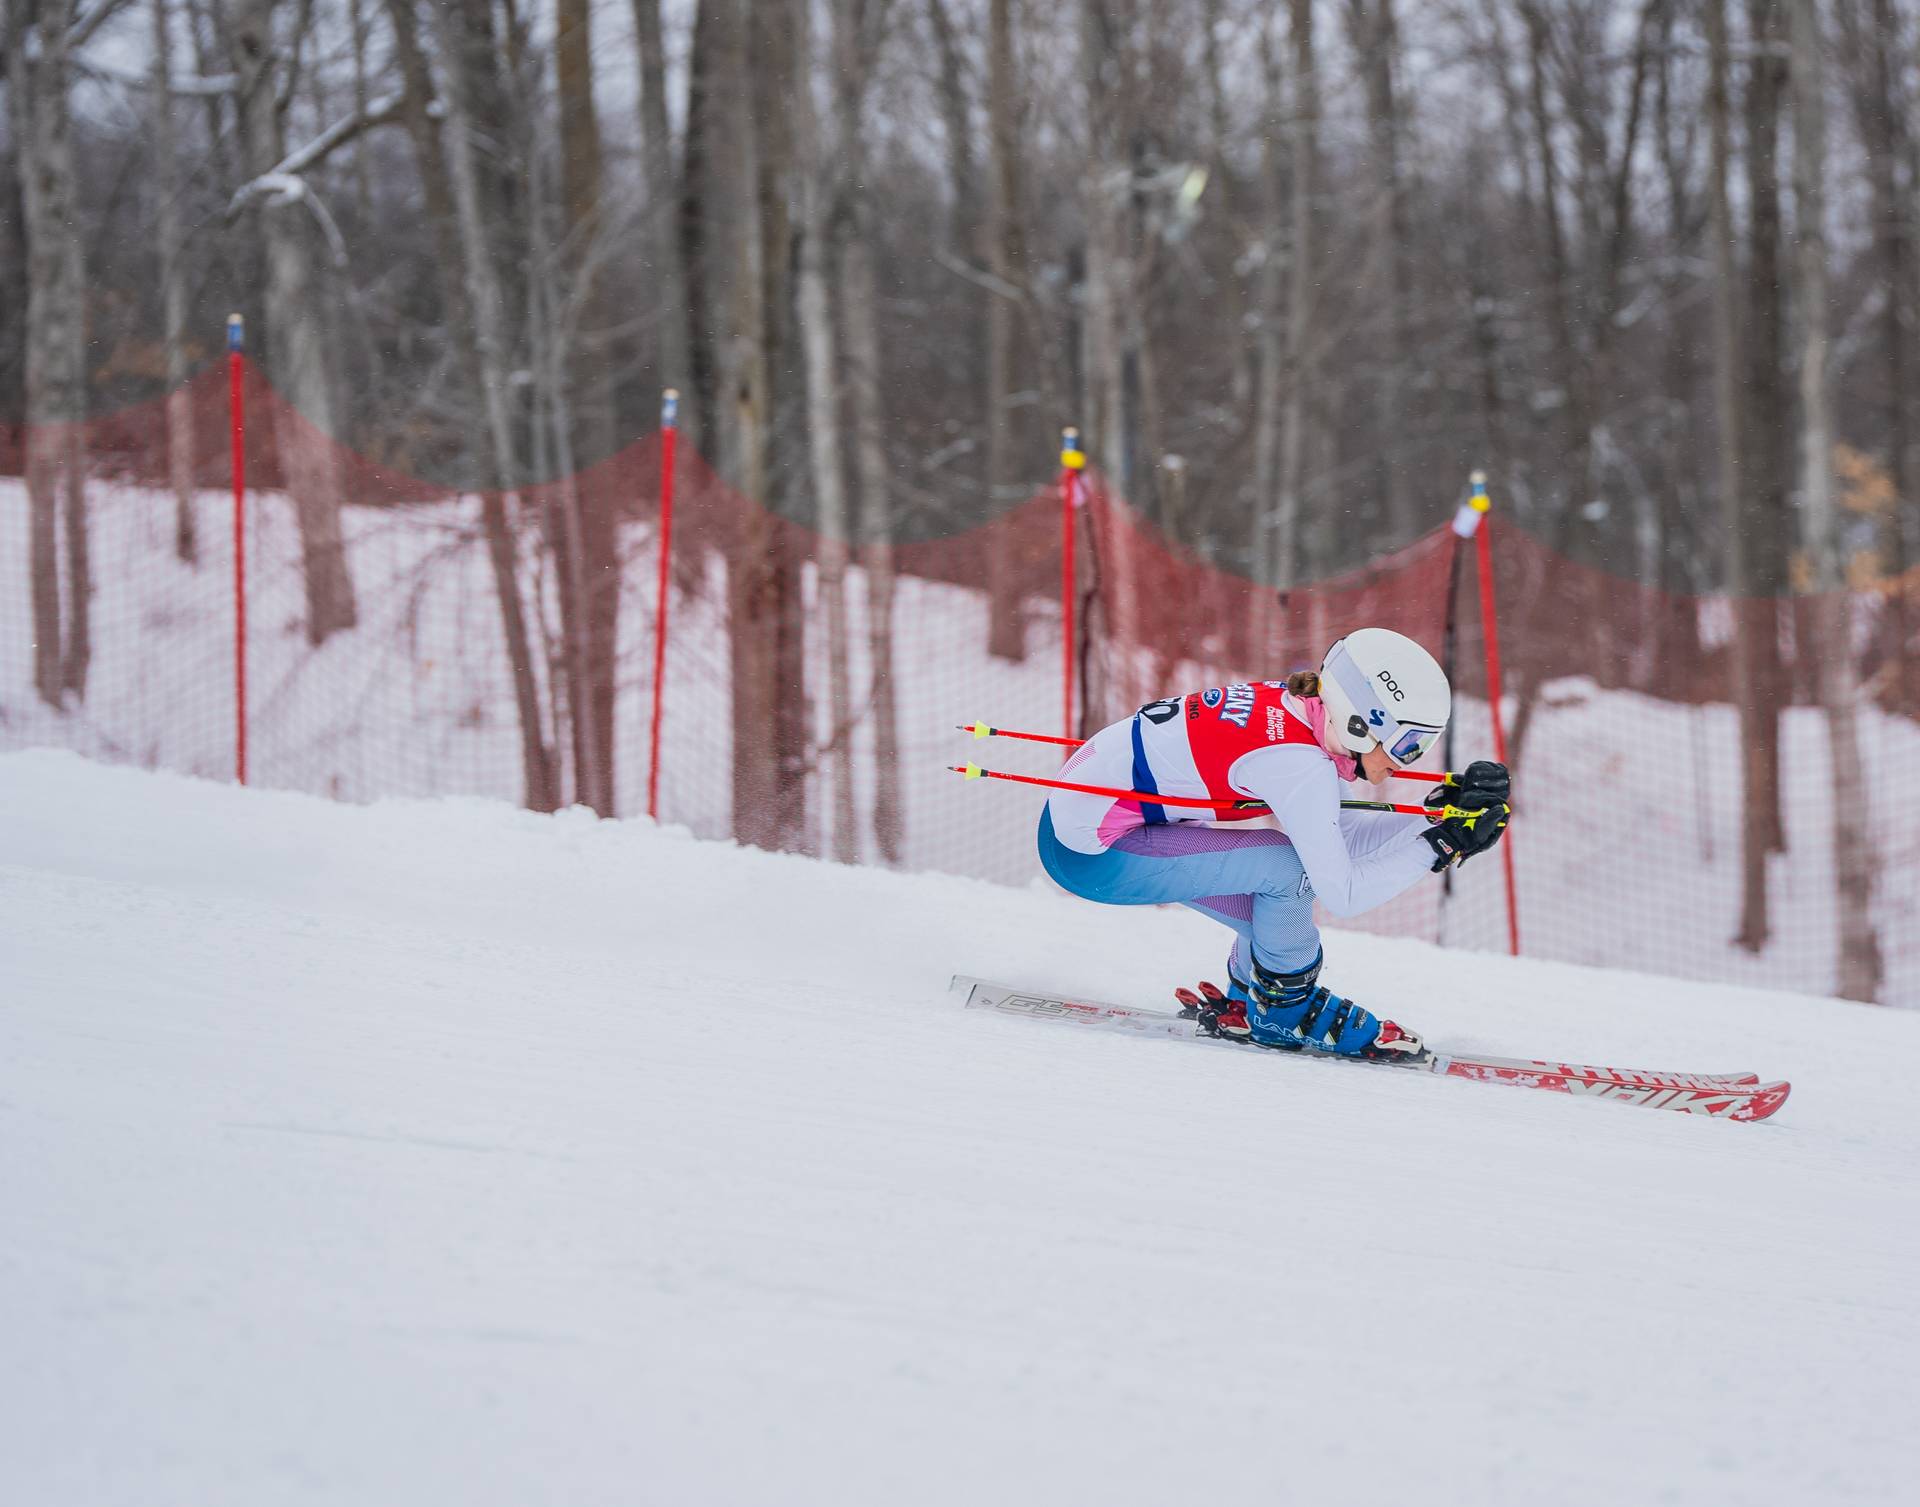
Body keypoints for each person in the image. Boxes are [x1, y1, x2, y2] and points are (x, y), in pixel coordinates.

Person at [1035, 628, 1511, 1060]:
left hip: (1088, 830)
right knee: (1289, 871)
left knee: (1280, 895)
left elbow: (1341, 835)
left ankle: (1249, 998)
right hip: (1094, 855)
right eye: (1408, 746)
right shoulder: (1298, 762)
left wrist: (1435, 819)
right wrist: (1441, 844)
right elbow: (1344, 893)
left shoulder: (1301, 713)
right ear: (1361, 723)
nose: (1407, 764)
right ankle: (1284, 1010)